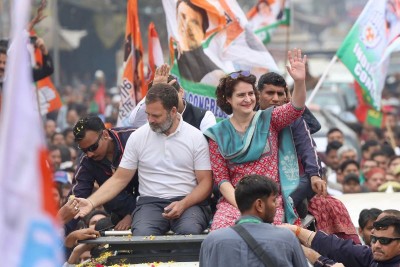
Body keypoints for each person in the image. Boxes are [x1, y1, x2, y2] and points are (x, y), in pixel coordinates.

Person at [75, 83, 213, 236]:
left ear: (173, 111)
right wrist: (91, 202)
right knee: (142, 238)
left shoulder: (196, 137)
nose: (150, 120)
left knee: (189, 233)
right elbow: (119, 179)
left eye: (156, 116)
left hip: (189, 203)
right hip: (150, 204)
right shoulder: (138, 137)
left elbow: (206, 183)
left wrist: (183, 204)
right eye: (148, 114)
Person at [204, 48, 307, 229]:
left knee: (268, 234)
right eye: (241, 95)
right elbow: (222, 180)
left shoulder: (270, 119)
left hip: (269, 200)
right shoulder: (217, 134)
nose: (248, 99)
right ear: (228, 98)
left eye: (251, 94)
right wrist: (244, 206)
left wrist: (299, 82)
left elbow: (296, 108)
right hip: (235, 202)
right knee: (222, 233)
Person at [256, 71, 326, 216]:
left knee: (308, 180)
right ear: (258, 95)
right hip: (259, 181)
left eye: (280, 94)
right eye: (270, 93)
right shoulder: (249, 118)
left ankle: (285, 205)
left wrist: (314, 175)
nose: (275, 99)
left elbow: (307, 146)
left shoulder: (294, 119)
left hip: (293, 179)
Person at [199, 174, 308, 267]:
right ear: (259, 205)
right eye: (273, 200)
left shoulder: (212, 241)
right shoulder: (287, 239)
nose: (277, 205)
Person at [66, 116, 138, 233]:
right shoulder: (87, 162)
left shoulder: (133, 138)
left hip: (150, 208)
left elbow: (153, 182)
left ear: (105, 134)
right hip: (118, 216)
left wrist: (133, 214)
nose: (89, 154)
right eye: (84, 150)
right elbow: (76, 201)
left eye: (93, 147)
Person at [128, 64, 216, 132]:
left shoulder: (203, 117)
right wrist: (153, 92)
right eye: (162, 97)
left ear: (181, 92)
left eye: (171, 94)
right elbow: (134, 122)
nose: (168, 100)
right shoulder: (154, 117)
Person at [282, 216, 400, 266]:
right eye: (374, 239)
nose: (377, 245)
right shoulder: (374, 256)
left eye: (384, 240)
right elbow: (339, 248)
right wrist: (296, 232)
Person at [175, 0, 224, 85]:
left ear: (203, 32)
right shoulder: (173, 59)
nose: (186, 26)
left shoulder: (212, 74)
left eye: (194, 22)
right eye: (183, 17)